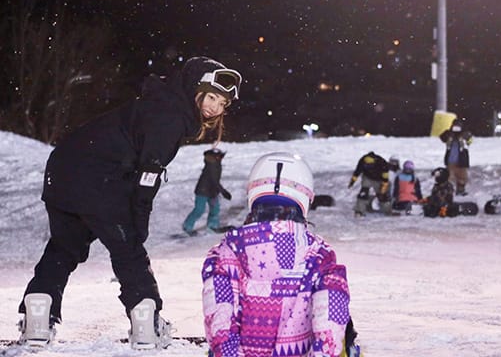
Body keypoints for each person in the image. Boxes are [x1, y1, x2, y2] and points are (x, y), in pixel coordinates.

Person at [16, 56, 242, 349]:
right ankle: (146, 325)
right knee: (129, 251)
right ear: (193, 88)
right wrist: (138, 222)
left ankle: (38, 314)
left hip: (62, 170)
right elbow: (148, 175)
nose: (215, 107)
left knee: (64, 246)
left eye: (222, 103)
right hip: (98, 176)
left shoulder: (158, 104)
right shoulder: (171, 117)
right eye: (211, 97)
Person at [201, 152, 354, 357]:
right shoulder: (319, 255)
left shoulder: (225, 254)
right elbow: (329, 325)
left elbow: (221, 323)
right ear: (305, 199)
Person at [182, 148, 232, 235]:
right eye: (220, 156)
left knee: (215, 209)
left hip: (212, 191)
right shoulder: (212, 165)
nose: (221, 158)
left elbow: (215, 182)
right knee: (199, 210)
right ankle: (187, 226)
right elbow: (214, 181)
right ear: (215, 157)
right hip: (203, 191)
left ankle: (212, 226)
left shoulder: (216, 164)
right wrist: (224, 192)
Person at [348, 151, 391, 217]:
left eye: (370, 165)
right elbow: (357, 172)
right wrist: (352, 182)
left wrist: (383, 189)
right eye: (366, 165)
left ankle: (387, 210)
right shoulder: (362, 161)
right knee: (363, 193)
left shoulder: (382, 163)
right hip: (367, 177)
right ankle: (359, 210)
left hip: (379, 179)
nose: (368, 167)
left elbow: (385, 179)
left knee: (382, 195)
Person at [439, 118, 473, 196]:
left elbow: (470, 141)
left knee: (462, 177)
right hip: (451, 160)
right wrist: (450, 133)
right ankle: (448, 191)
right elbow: (442, 137)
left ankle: (460, 190)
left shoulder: (465, 134)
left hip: (462, 160)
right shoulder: (449, 134)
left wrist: (464, 135)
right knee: (449, 177)